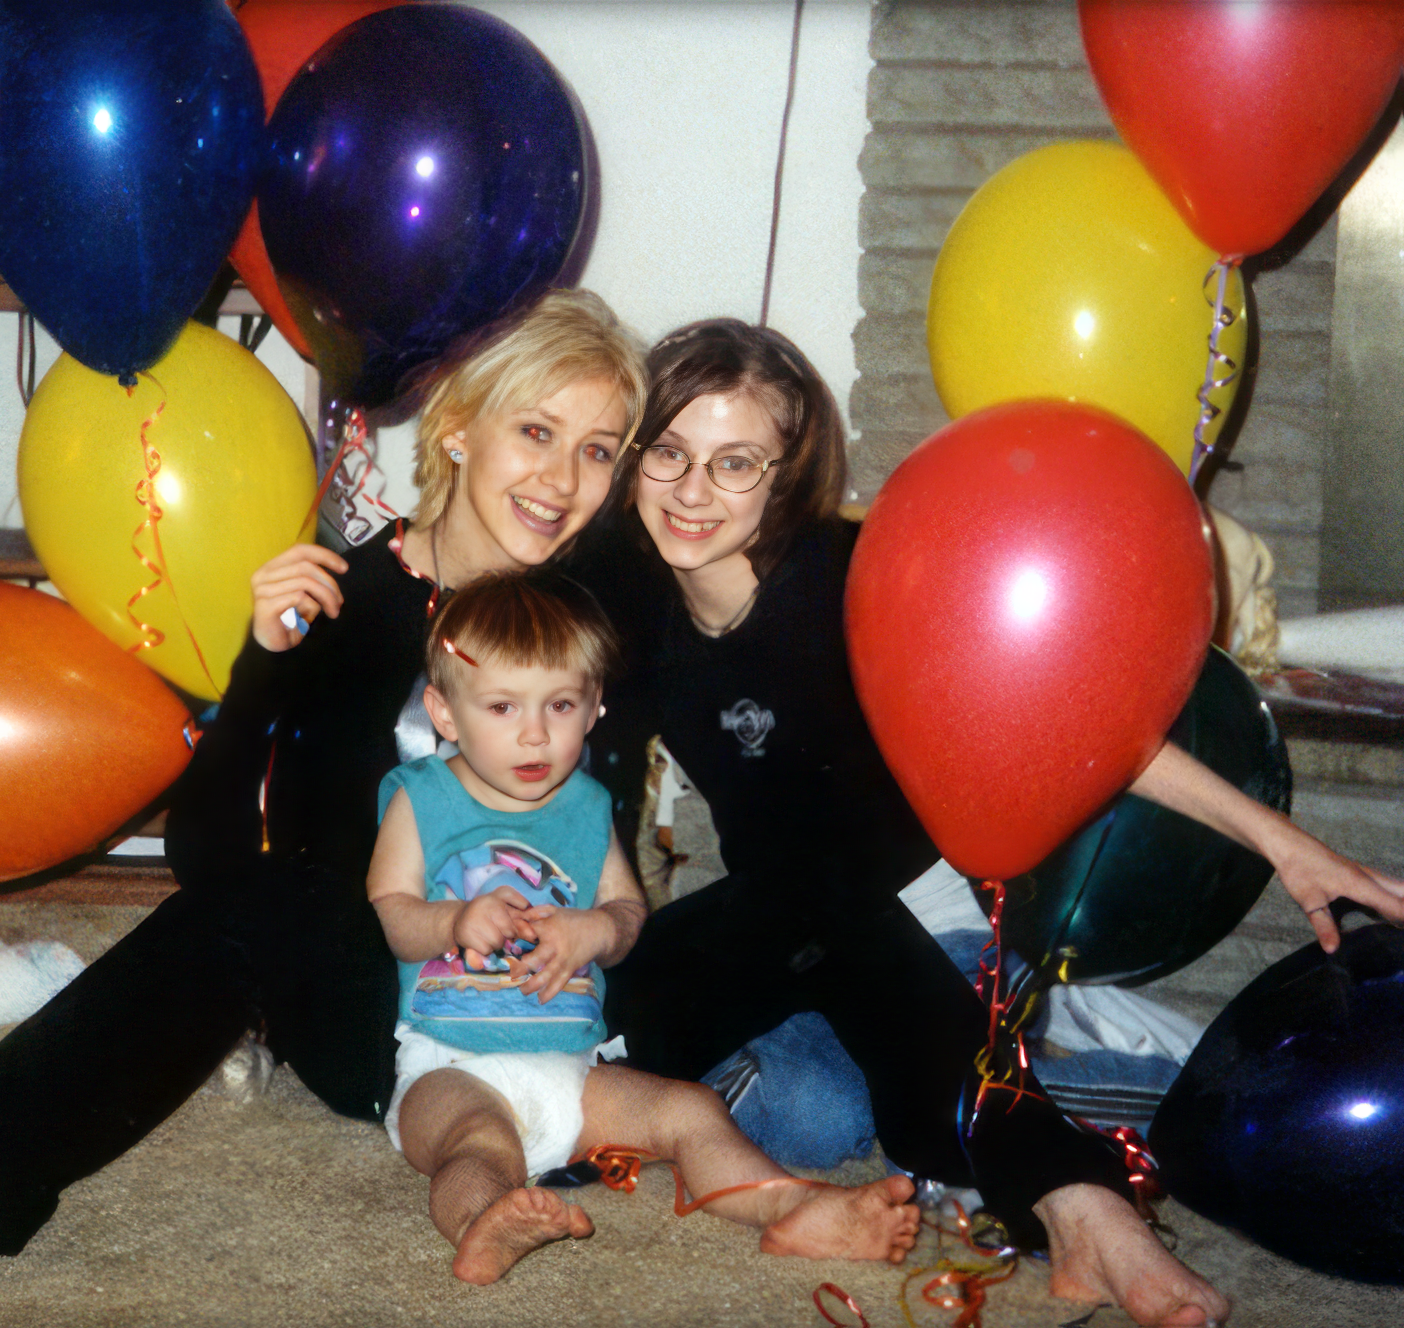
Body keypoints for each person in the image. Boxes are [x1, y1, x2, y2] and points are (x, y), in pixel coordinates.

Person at [0, 288, 649, 1296]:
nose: (562, 478)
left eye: (598, 449)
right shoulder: (342, 598)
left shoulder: (600, 615)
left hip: (562, 1018)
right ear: (456, 425)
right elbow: (207, 859)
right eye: (536, 430)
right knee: (268, 902)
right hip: (384, 1028)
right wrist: (263, 666)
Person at [571, 318, 1404, 1328]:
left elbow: (1070, 720)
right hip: (773, 925)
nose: (691, 491)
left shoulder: (852, 576)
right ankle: (1041, 1082)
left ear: (789, 472)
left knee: (817, 1094)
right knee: (749, 1031)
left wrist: (1282, 842)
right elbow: (491, 624)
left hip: (924, 914)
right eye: (669, 451)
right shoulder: (624, 576)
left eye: (735, 461)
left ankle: (1079, 1187)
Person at [369, 573, 920, 1284]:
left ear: (595, 706)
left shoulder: (587, 806)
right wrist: (453, 918)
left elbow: (628, 915)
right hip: (449, 1065)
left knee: (690, 1110)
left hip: (575, 1072)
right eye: (502, 706)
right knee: (477, 1144)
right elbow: (393, 916)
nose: (534, 733)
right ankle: (485, 1224)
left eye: (561, 705)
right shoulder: (422, 798)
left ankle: (789, 1206)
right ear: (444, 713)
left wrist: (595, 932)